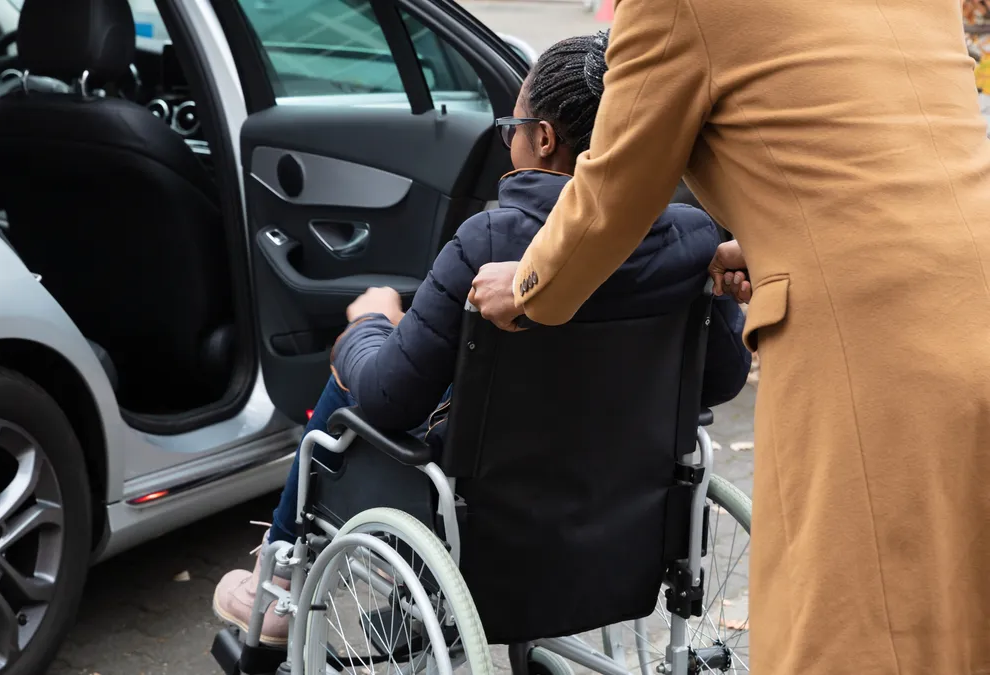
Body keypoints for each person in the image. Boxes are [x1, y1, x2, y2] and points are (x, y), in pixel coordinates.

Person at [467, 0, 990, 672]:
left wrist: (527, 284)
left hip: (874, 353)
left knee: (856, 635)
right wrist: (784, 241)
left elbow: (610, 195)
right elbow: (883, 162)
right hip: (967, 302)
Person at [212, 32, 752, 646]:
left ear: (544, 138)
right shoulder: (691, 238)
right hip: (623, 518)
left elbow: (391, 401)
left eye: (511, 128)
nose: (508, 141)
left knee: (353, 372)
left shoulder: (491, 242)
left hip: (488, 524)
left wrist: (367, 327)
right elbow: (724, 378)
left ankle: (279, 578)